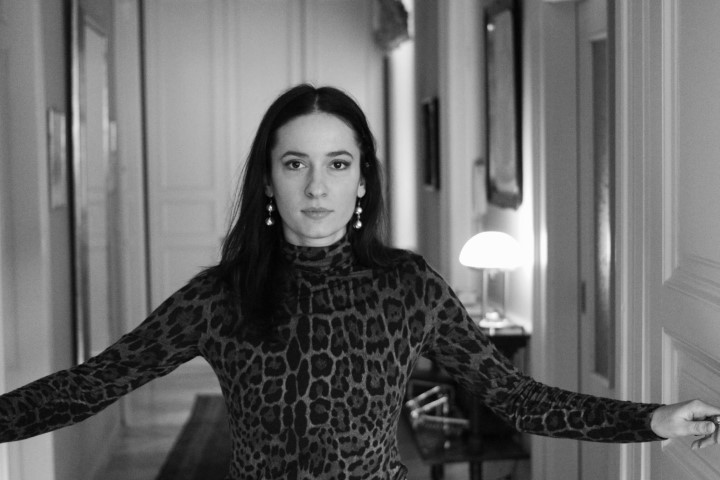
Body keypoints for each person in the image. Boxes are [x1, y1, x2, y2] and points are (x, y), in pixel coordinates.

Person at [1, 84, 719, 479]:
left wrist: (649, 420)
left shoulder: (408, 288)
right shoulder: (219, 296)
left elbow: (516, 398)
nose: (317, 187)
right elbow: (95, 383)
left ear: (362, 180)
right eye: (295, 164)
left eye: (337, 164)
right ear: (268, 180)